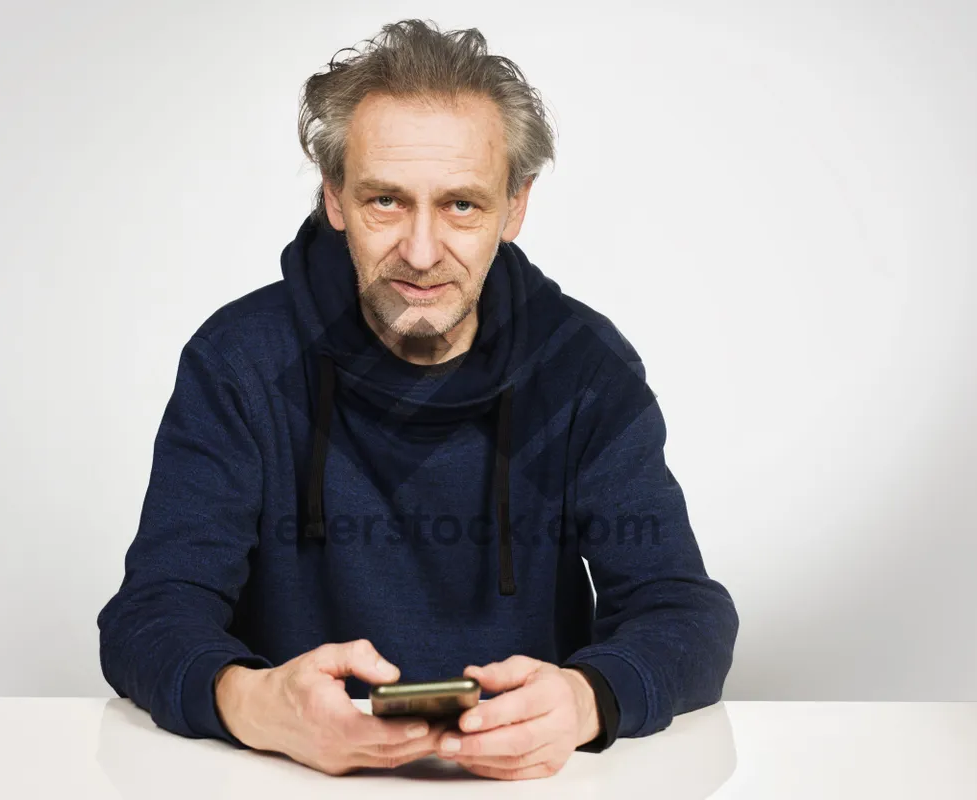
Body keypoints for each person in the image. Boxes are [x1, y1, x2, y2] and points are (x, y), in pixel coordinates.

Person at [97, 18, 738, 781]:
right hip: (283, 783)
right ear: (335, 197)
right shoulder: (240, 362)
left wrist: (585, 700)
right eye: (386, 202)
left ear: (515, 206)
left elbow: (684, 613)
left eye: (462, 205)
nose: (424, 252)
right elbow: (150, 614)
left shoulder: (585, 369)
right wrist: (259, 704)